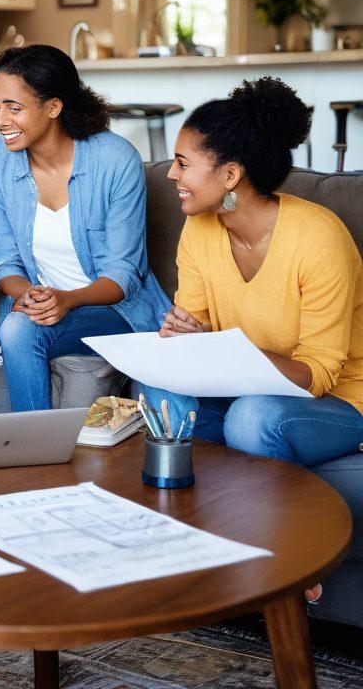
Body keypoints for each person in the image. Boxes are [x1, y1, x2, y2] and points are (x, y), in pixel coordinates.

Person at [141, 77, 363, 467]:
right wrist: (186, 337)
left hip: (336, 402)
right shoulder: (199, 228)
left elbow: (318, 375)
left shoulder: (318, 237)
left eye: (183, 163)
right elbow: (195, 327)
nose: (171, 173)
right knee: (157, 393)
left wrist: (220, 347)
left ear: (230, 175)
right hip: (241, 387)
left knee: (251, 417)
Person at [0, 45, 169, 412]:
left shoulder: (115, 160)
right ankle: (32, 442)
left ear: (53, 107)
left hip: (112, 310)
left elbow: (123, 275)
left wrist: (68, 299)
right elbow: (6, 264)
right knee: (17, 328)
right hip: (41, 311)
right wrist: (30, 295)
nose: (0, 120)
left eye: (13, 108)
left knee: (21, 329)